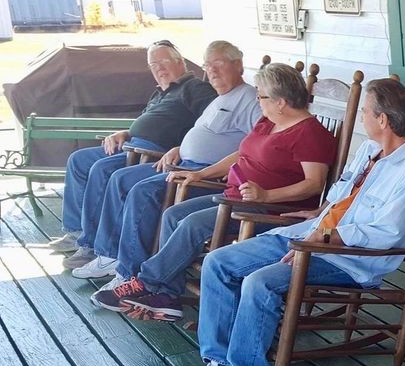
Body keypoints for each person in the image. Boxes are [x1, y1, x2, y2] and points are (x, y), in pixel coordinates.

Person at [176, 78, 405, 366]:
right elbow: (344, 197)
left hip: (348, 259)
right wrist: (318, 215)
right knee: (218, 262)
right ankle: (221, 363)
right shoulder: (368, 152)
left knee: (260, 283)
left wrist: (321, 240)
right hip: (311, 233)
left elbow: (383, 234)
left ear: (382, 120)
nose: (362, 119)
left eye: (366, 113)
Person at [91, 62, 336, 321]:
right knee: (173, 215)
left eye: (261, 96)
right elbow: (242, 153)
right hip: (235, 197)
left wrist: (266, 196)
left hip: (268, 209)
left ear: (281, 101)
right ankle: (167, 296)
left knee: (193, 225)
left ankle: (147, 282)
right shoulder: (268, 121)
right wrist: (200, 174)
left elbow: (314, 183)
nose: (257, 101)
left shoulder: (310, 134)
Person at [71, 40, 262, 281]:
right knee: (122, 179)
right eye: (207, 65)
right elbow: (204, 134)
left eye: (218, 64)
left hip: (206, 175)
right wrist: (180, 147)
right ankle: (109, 254)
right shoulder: (219, 99)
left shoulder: (250, 100)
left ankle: (127, 271)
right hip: (183, 163)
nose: (211, 70)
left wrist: (206, 172)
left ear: (239, 66)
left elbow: (255, 147)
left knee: (143, 191)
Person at [53, 40, 218, 268]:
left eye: (164, 61)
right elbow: (145, 122)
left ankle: (90, 245)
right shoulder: (160, 93)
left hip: (153, 152)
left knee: (102, 170)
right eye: (153, 64)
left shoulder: (195, 89)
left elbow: (210, 125)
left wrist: (182, 147)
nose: (159, 68)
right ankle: (76, 230)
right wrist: (124, 133)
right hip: (131, 144)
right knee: (78, 160)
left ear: (180, 62)